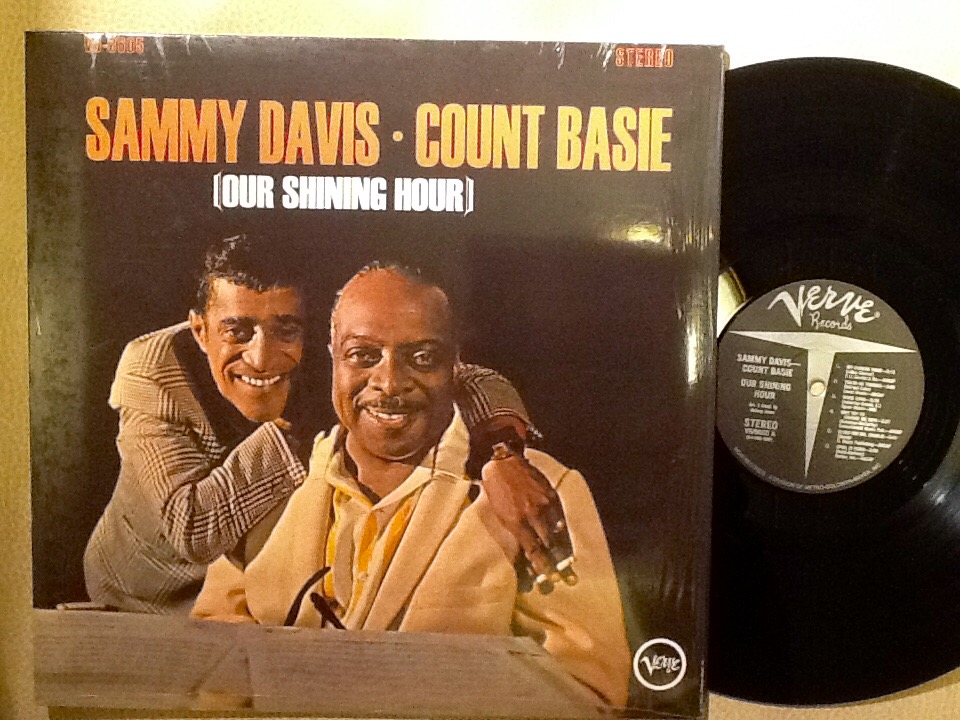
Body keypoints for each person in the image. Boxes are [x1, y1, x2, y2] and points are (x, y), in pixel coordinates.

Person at [192, 264, 630, 705]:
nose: (389, 383)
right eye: (363, 356)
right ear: (333, 356)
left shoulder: (541, 492)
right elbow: (211, 658)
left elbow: (585, 692)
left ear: (455, 364)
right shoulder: (269, 481)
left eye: (421, 358)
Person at [83, 236, 569, 614]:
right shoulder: (151, 366)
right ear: (199, 330)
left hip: (250, 598)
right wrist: (303, 427)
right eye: (238, 330)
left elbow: (474, 378)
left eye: (285, 329)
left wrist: (501, 457)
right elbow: (192, 530)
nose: (262, 357)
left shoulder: (334, 357)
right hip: (140, 599)